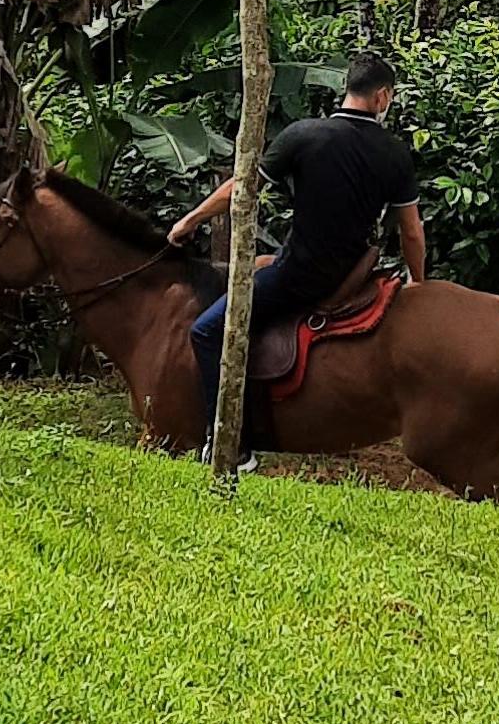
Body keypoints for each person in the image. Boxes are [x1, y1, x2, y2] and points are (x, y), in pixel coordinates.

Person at [173, 52, 427, 449]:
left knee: (206, 331)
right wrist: (418, 280)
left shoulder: (303, 134)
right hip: (352, 273)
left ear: (349, 90)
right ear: (382, 97)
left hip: (301, 274)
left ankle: (229, 445)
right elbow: (411, 231)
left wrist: (189, 221)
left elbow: (241, 188)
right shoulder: (394, 152)